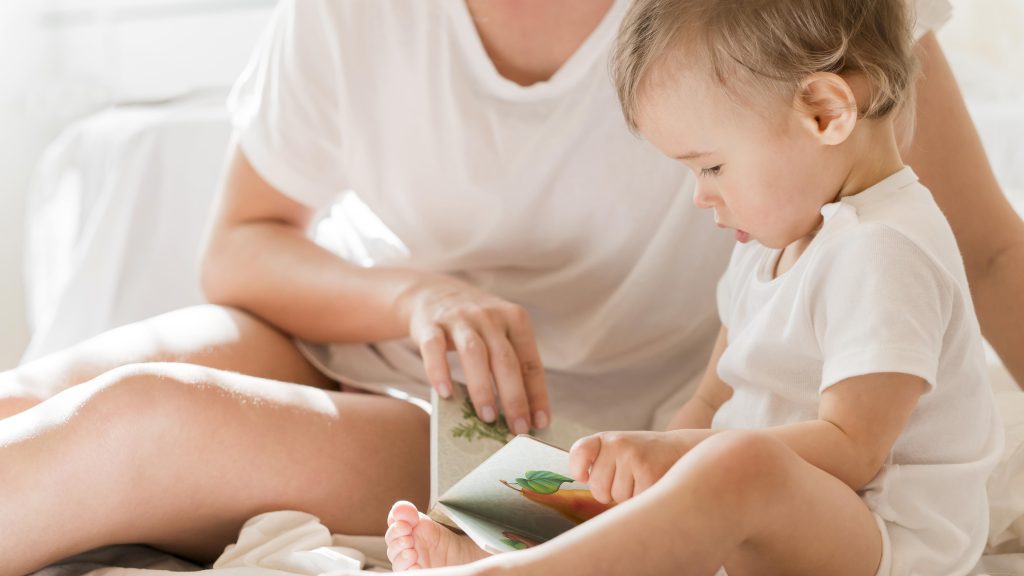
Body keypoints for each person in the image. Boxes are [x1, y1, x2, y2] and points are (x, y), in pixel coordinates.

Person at [0, 0, 1018, 574]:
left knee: (141, 420)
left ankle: (502, 545)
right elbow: (243, 247)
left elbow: (984, 258)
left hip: (545, 432)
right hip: (355, 333)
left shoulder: (783, 33)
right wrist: (415, 300)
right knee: (39, 393)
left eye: (704, 169)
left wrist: (665, 449)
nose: (702, 195)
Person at [381, 0, 1003, 574]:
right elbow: (709, 403)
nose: (701, 195)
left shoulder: (884, 247)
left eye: (711, 165)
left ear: (826, 112)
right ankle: (493, 541)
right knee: (580, 474)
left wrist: (681, 458)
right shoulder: (773, 240)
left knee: (733, 463)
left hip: (885, 540)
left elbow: (852, 450)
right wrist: (651, 463)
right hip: (769, 515)